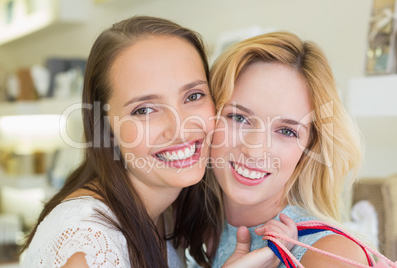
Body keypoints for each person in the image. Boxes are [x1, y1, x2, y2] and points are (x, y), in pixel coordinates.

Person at [21, 16, 216, 268]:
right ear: (106, 128)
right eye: (144, 110)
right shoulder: (89, 243)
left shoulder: (165, 209)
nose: (180, 129)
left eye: (193, 95)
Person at [203, 31, 368, 268]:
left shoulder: (329, 255)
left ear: (309, 149)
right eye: (238, 117)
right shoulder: (177, 225)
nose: (255, 151)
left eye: (287, 131)